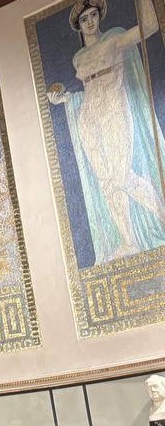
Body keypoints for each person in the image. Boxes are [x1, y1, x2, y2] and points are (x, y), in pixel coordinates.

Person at [47, 0, 165, 264]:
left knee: (122, 176)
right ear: (78, 26)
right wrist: (63, 99)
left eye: (93, 15)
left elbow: (149, 28)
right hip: (89, 118)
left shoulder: (113, 40)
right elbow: (86, 89)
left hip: (114, 110)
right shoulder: (78, 58)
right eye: (84, 19)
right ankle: (128, 242)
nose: (90, 22)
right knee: (107, 184)